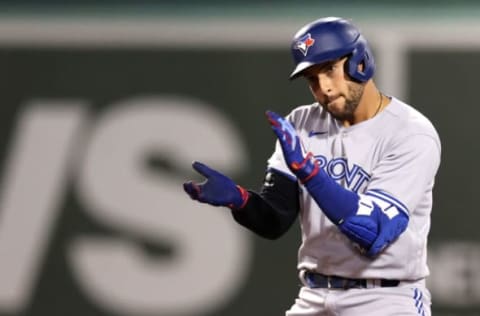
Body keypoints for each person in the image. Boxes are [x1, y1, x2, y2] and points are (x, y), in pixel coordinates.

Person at [183, 16, 440, 316]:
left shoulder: (410, 132)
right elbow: (275, 219)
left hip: (386, 298)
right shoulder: (301, 123)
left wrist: (309, 170)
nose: (324, 88)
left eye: (330, 70)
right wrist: (240, 200)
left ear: (360, 62)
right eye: (312, 79)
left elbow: (372, 231)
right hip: (315, 295)